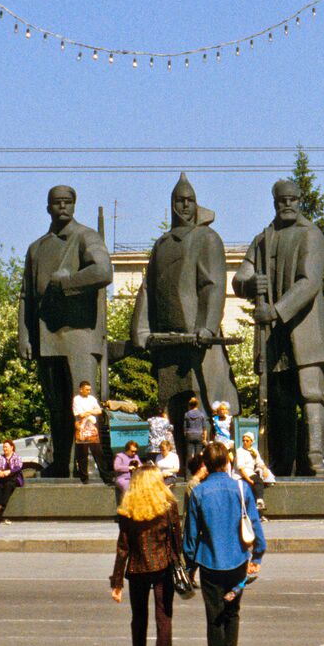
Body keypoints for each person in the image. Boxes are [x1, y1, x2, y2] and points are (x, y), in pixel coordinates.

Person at [129, 175, 239, 456]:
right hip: (166, 342)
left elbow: (213, 285)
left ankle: (210, 461)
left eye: (190, 200)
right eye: (180, 200)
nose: (185, 205)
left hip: (198, 340)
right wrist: (140, 329)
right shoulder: (162, 244)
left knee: (205, 403)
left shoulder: (207, 238)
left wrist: (208, 327)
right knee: (172, 405)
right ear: (172, 204)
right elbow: (147, 287)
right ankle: (175, 462)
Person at [232, 179, 324, 476]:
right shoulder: (264, 239)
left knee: (312, 395)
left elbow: (310, 282)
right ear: (274, 202)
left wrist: (275, 310)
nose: (286, 204)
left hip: (306, 331)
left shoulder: (311, 235)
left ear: (299, 200)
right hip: (274, 338)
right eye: (281, 200)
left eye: (292, 199)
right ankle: (281, 463)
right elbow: (240, 277)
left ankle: (315, 459)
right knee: (278, 403)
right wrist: (249, 283)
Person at [19, 185, 113, 479]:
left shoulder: (86, 237)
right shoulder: (37, 248)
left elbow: (104, 272)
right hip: (47, 339)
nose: (62, 207)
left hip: (80, 338)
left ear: (74, 205)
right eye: (56, 203)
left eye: (67, 202)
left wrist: (68, 282)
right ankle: (63, 465)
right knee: (57, 409)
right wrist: (24, 335)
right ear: (48, 207)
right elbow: (26, 297)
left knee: (83, 409)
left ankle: (90, 468)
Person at [183, 441, 265, 646]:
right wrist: (257, 555)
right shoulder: (241, 489)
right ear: (228, 462)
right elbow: (255, 525)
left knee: (214, 618)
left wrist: (189, 567)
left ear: (205, 465)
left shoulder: (198, 492)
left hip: (209, 562)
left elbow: (191, 535)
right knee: (232, 613)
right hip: (238, 561)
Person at [110, 466, 183, 646]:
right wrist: (182, 566)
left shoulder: (128, 509)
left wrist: (117, 582)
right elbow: (176, 539)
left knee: (139, 620)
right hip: (163, 566)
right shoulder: (168, 506)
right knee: (164, 619)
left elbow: (123, 547)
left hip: (137, 568)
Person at [73, 380, 103, 484]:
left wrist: (89, 412)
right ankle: (84, 478)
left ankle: (105, 475)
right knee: (82, 454)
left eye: (89, 390)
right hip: (82, 428)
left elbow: (99, 411)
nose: (88, 391)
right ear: (81, 389)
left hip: (92, 427)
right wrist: (90, 412)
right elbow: (80, 415)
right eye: (86, 390)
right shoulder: (76, 399)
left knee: (98, 452)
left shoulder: (92, 399)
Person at [0, 440, 24, 525]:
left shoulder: (17, 457)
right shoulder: (0, 457)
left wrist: (9, 471)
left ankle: (0, 507)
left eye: (6, 447)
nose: (5, 449)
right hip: (1, 478)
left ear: (12, 447)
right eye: (4, 447)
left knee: (9, 485)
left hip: (13, 478)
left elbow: (18, 467)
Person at [235, 434, 271, 513]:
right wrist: (249, 481)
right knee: (257, 481)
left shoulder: (254, 451)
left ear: (251, 442)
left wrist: (264, 469)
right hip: (243, 474)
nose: (245, 442)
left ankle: (259, 508)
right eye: (243, 440)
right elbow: (241, 469)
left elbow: (259, 462)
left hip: (251, 473)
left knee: (261, 480)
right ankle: (259, 501)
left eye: (247, 441)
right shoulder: (240, 451)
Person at [182, 396, 208, 461]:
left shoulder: (186, 414)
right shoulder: (201, 415)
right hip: (199, 435)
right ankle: (197, 469)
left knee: (189, 455)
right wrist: (204, 439)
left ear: (189, 405)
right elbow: (204, 428)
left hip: (189, 435)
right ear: (197, 405)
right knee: (198, 455)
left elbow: (184, 428)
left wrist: (186, 436)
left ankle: (188, 471)